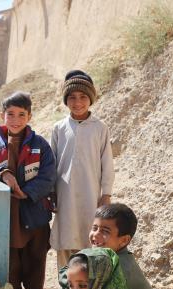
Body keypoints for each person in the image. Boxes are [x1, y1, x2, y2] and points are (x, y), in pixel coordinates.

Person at [0, 91, 56, 289]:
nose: (15, 119)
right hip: (4, 215)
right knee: (9, 259)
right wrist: (1, 172)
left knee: (35, 258)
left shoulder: (40, 145)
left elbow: (48, 176)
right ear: (2, 115)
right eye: (10, 114)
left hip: (34, 212)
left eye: (21, 114)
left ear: (29, 116)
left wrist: (28, 193)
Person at [50, 70, 115, 271]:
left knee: (91, 239)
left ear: (91, 99)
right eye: (72, 97)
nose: (77, 102)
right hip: (64, 195)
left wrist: (106, 194)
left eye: (83, 97)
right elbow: (51, 163)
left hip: (90, 194)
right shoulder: (59, 128)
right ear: (66, 100)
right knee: (65, 239)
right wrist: (51, 192)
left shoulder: (99, 128)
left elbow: (107, 163)